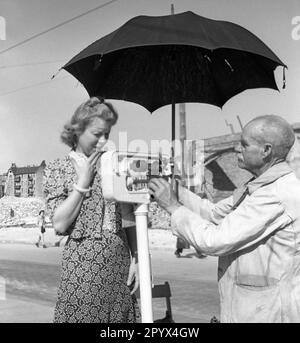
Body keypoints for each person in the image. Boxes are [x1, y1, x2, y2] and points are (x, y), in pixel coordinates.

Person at [149, 114, 300, 323]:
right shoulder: (257, 187)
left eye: (244, 144)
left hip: (269, 313)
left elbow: (214, 240)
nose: (237, 148)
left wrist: (173, 207)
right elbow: (213, 214)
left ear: (266, 151)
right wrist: (175, 190)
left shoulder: (275, 194)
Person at [43, 97, 139, 323]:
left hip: (119, 261)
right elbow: (59, 224)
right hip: (83, 266)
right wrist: (83, 182)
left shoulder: (114, 166)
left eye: (107, 134)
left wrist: (137, 258)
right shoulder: (60, 167)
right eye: (97, 134)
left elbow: (127, 215)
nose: (103, 141)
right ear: (77, 131)